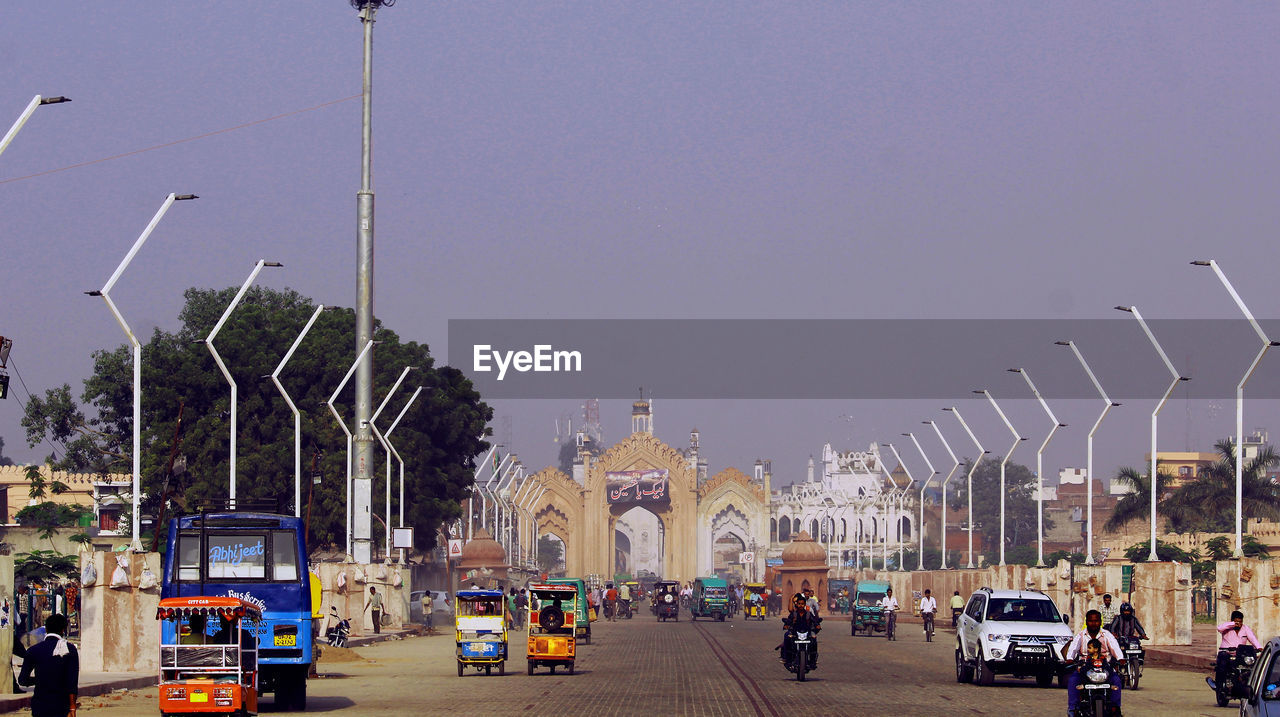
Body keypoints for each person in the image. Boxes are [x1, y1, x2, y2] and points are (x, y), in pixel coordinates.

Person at [1062, 609, 1123, 716]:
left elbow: (1115, 648)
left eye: (1096, 621)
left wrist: (1120, 659)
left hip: (1105, 669)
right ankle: (1073, 709)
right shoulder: (1081, 635)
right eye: (1090, 621)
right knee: (1073, 681)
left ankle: (1115, 708)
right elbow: (1073, 648)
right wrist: (1070, 659)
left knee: (1116, 680)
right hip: (1085, 668)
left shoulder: (1107, 635)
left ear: (1100, 622)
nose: (1093, 623)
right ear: (1087, 622)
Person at [18, 614, 79, 717]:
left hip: (39, 706)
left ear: (46, 629)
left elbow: (22, 680)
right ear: (63, 630)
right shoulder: (69, 649)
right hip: (61, 706)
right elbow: (72, 682)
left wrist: (39, 679)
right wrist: (72, 707)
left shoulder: (33, 650)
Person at [1210, 609, 1262, 693]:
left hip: (1240, 654)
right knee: (1222, 663)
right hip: (1226, 652)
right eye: (1237, 622)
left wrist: (1259, 647)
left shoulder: (1245, 628)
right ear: (1232, 621)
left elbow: (1252, 638)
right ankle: (1218, 685)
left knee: (1252, 665)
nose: (1239, 624)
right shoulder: (1227, 628)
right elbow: (1219, 628)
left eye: (1240, 622)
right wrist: (1232, 624)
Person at [779, 592, 823, 670]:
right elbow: (789, 620)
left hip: (807, 632)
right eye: (799, 604)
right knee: (786, 636)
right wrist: (786, 624)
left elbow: (814, 620)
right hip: (795, 632)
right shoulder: (794, 614)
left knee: (814, 639)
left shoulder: (808, 613)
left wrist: (817, 625)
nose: (800, 605)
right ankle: (786, 658)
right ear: (797, 604)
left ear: (805, 604)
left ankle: (813, 659)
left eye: (802, 604)